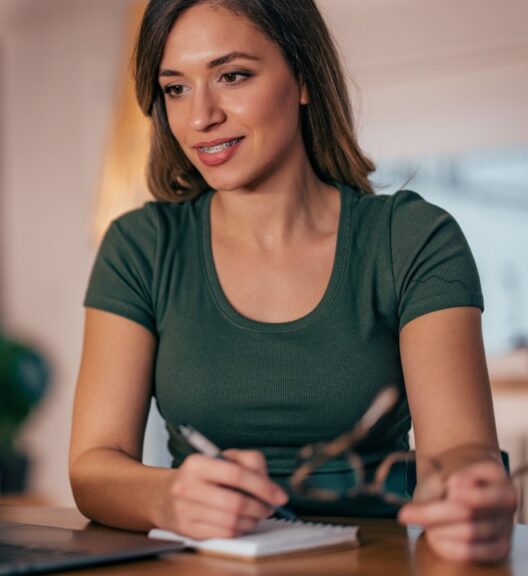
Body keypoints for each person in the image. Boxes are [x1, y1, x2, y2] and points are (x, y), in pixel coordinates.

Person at [68, 0, 519, 564]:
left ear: (304, 78)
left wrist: (468, 493)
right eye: (176, 88)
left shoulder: (412, 237)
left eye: (232, 76)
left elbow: (457, 450)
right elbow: (94, 464)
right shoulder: (140, 246)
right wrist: (167, 497)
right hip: (207, 561)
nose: (200, 116)